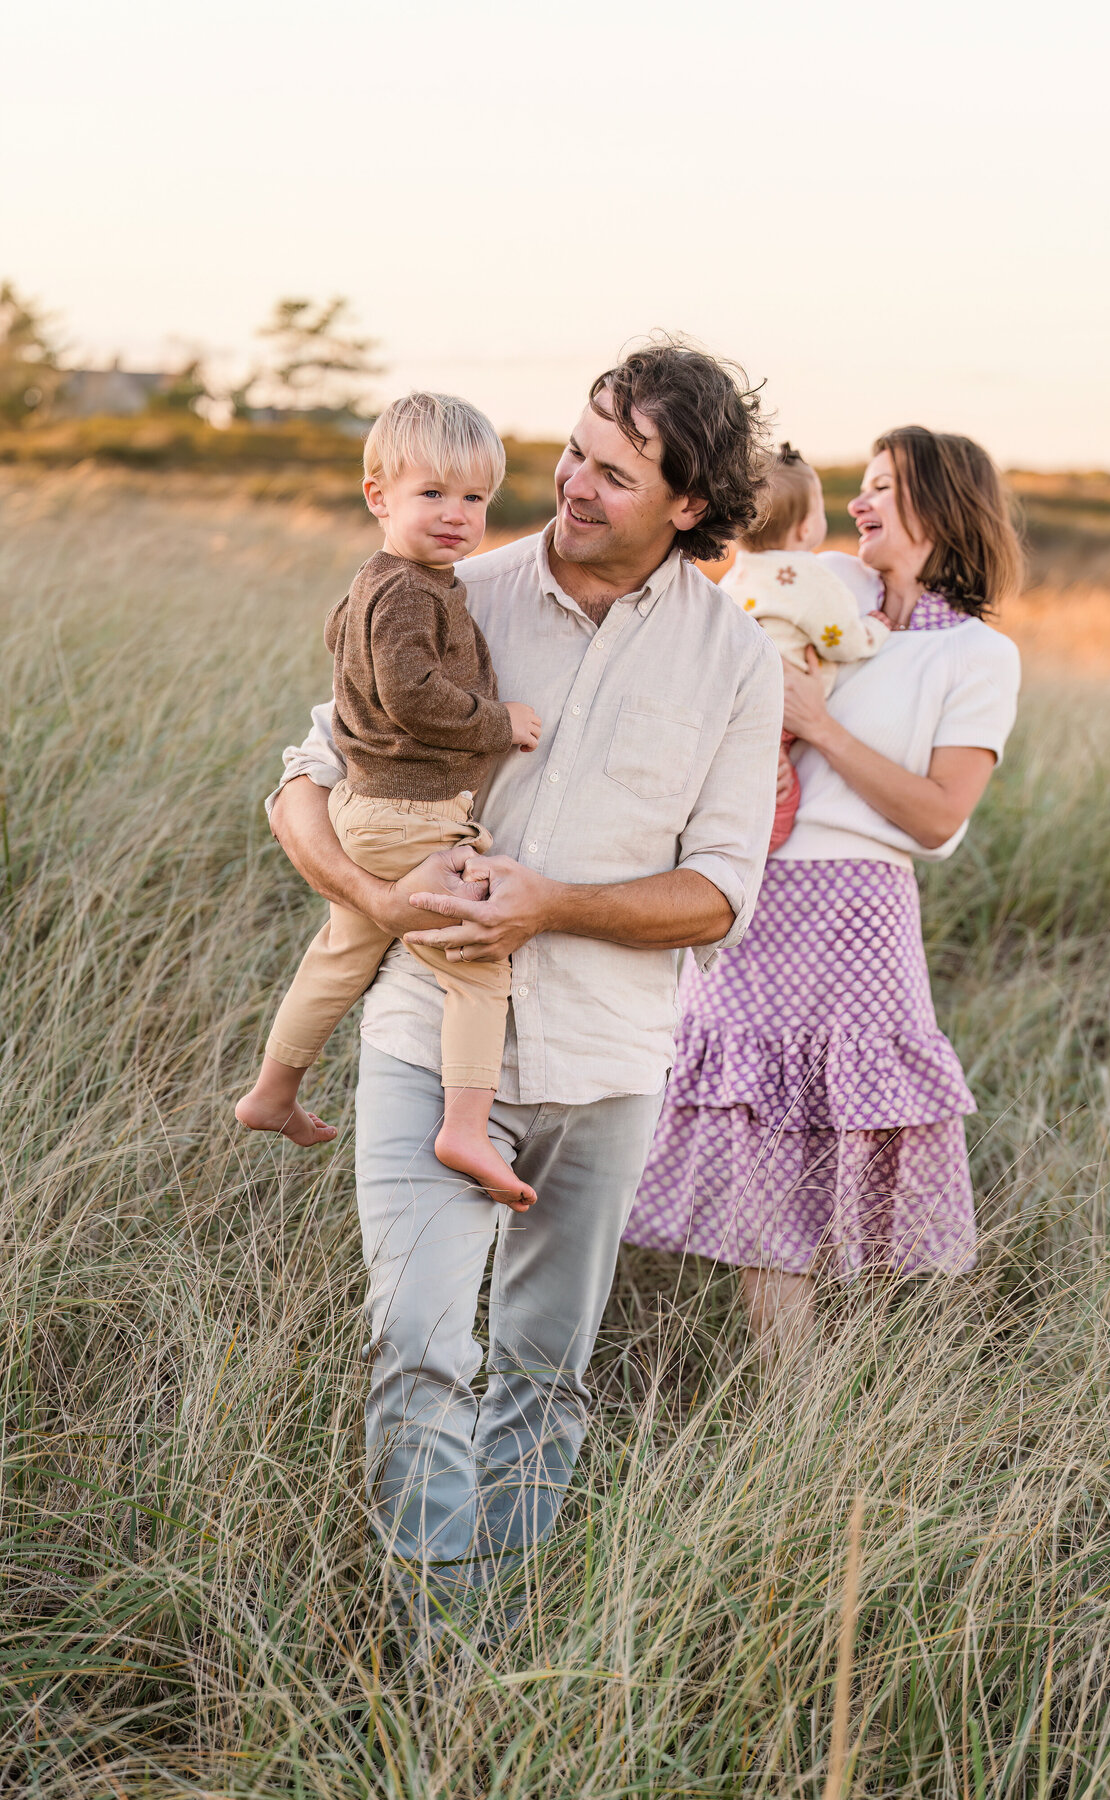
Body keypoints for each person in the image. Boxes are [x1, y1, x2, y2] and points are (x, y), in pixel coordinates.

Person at [262, 339, 782, 1628]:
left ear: (692, 506)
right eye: (575, 451)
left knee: (545, 1373)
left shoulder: (736, 657)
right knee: (422, 1348)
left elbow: (723, 888)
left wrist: (553, 904)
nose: (573, 484)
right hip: (426, 1035)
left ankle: (498, 1633)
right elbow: (298, 782)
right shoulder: (447, 588)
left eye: (613, 473)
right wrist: (377, 900)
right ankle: (431, 1649)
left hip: (608, 1068)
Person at [623, 426, 1023, 1352]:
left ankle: (858, 1406)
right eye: (861, 484)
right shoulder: (827, 581)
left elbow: (937, 820)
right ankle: (789, 1394)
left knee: (846, 1131)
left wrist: (824, 730)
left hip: (858, 911)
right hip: (752, 893)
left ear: (940, 503)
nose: (858, 502)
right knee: (759, 1133)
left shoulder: (975, 655)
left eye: (883, 486)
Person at [236, 393, 544, 1206]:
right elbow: (409, 695)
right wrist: (495, 723)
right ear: (379, 496)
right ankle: (466, 1128)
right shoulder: (411, 589)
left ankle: (272, 1092)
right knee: (479, 966)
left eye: (474, 498)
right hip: (408, 815)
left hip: (369, 809)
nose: (457, 515)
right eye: (432, 494)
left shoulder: (377, 583)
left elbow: (350, 660)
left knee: (342, 954)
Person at [720, 446, 889, 850]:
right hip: (778, 709)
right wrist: (875, 629)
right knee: (780, 793)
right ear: (803, 529)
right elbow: (842, 640)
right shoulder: (811, 577)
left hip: (731, 706)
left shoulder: (739, 570)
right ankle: (756, 852)